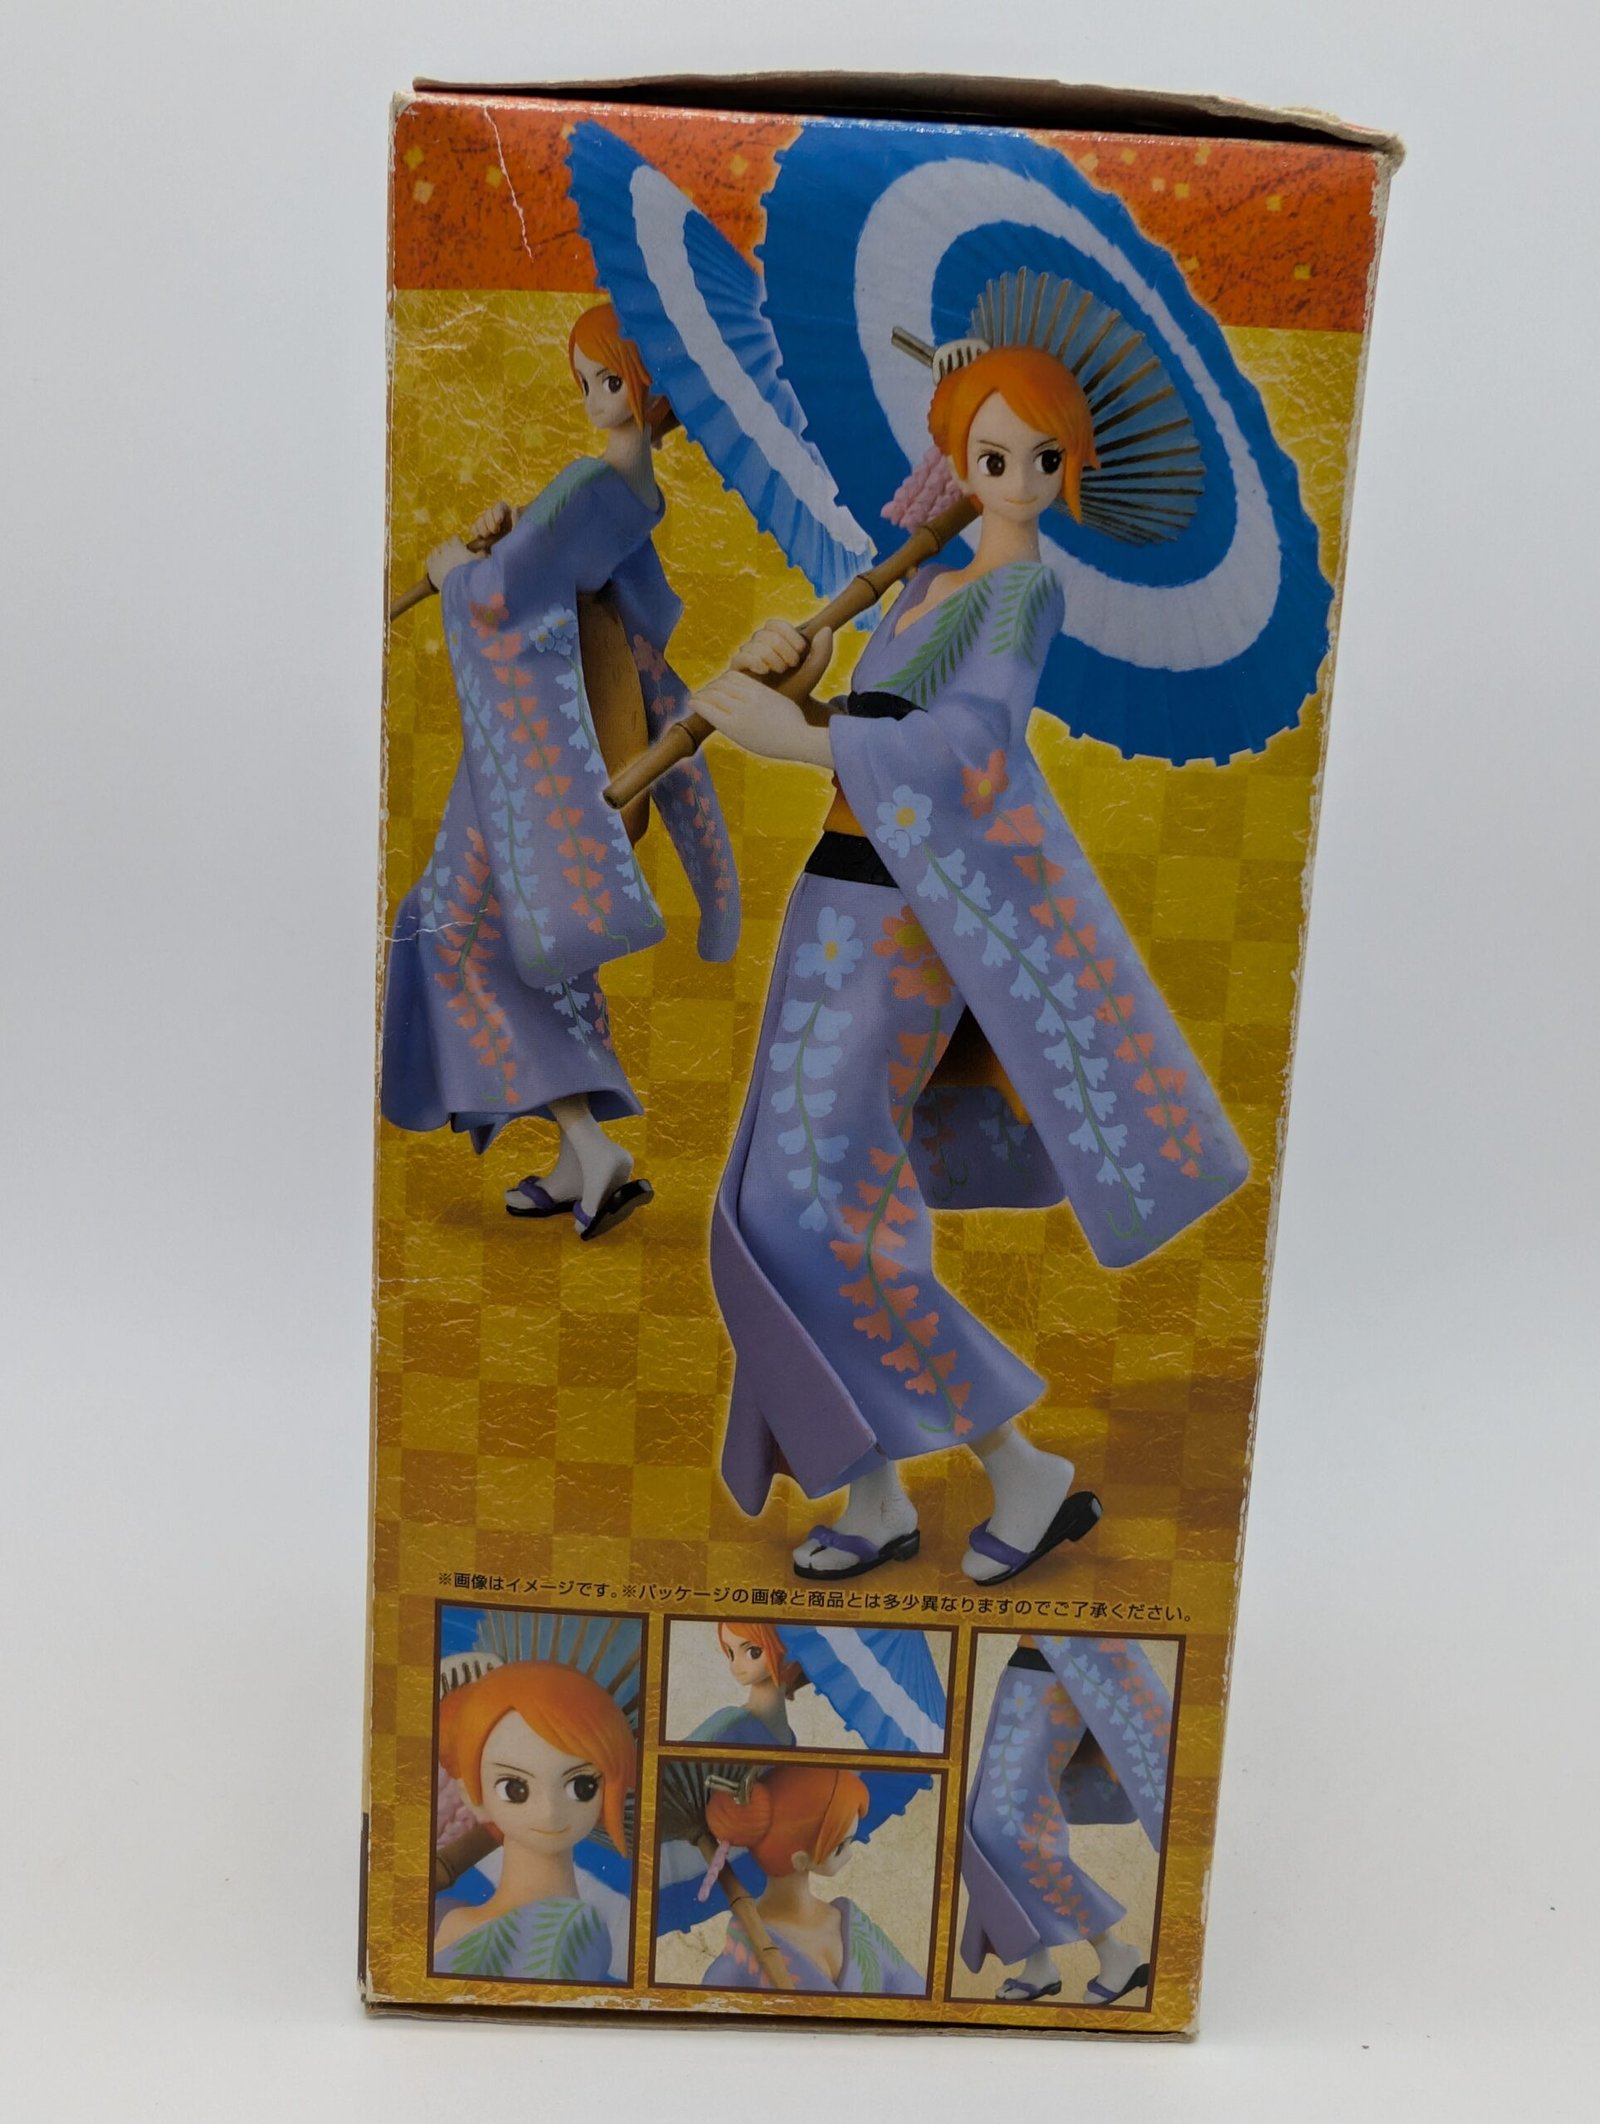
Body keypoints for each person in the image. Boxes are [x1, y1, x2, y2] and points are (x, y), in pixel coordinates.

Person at [693, 343, 1248, 1582]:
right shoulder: (927, 583)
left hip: (904, 923)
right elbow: (886, 723)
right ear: (955, 453)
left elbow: (967, 755)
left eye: (1042, 457)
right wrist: (814, 685)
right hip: (834, 906)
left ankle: (1020, 1467)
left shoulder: (1020, 593)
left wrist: (794, 740)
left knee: (809, 1212)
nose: (1018, 477)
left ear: (1069, 466)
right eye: (989, 454)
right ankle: (875, 1494)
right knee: (797, 1206)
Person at [382, 302, 740, 1238]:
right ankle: (585, 1152)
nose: (593, 398)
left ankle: (587, 1141)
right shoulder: (629, 495)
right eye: (586, 382)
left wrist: (455, 571)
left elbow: (506, 599)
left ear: (647, 385)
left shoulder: (593, 485)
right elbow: (580, 582)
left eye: (609, 380)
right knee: (498, 933)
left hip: (526, 751)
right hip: (537, 746)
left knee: (451, 930)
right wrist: (511, 529)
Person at [959, 1635, 1171, 2006]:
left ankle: (1114, 1952)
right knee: (989, 1825)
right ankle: (1038, 1964)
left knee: (1002, 1824)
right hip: (1028, 1663)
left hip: (1070, 1659)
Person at [432, 1659, 635, 1981]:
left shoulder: (577, 1933)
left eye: (582, 1787)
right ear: (471, 1796)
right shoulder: (452, 1919)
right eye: (515, 1789)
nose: (550, 1811)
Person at [699, 1766, 923, 1995]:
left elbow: (910, 1989)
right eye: (840, 1847)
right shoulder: (744, 1950)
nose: (849, 1854)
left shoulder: (852, 1923)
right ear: (800, 1860)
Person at [685, 1621, 803, 1747]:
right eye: (731, 1653)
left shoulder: (786, 1734)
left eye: (753, 1652)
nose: (735, 1665)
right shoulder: (731, 1725)